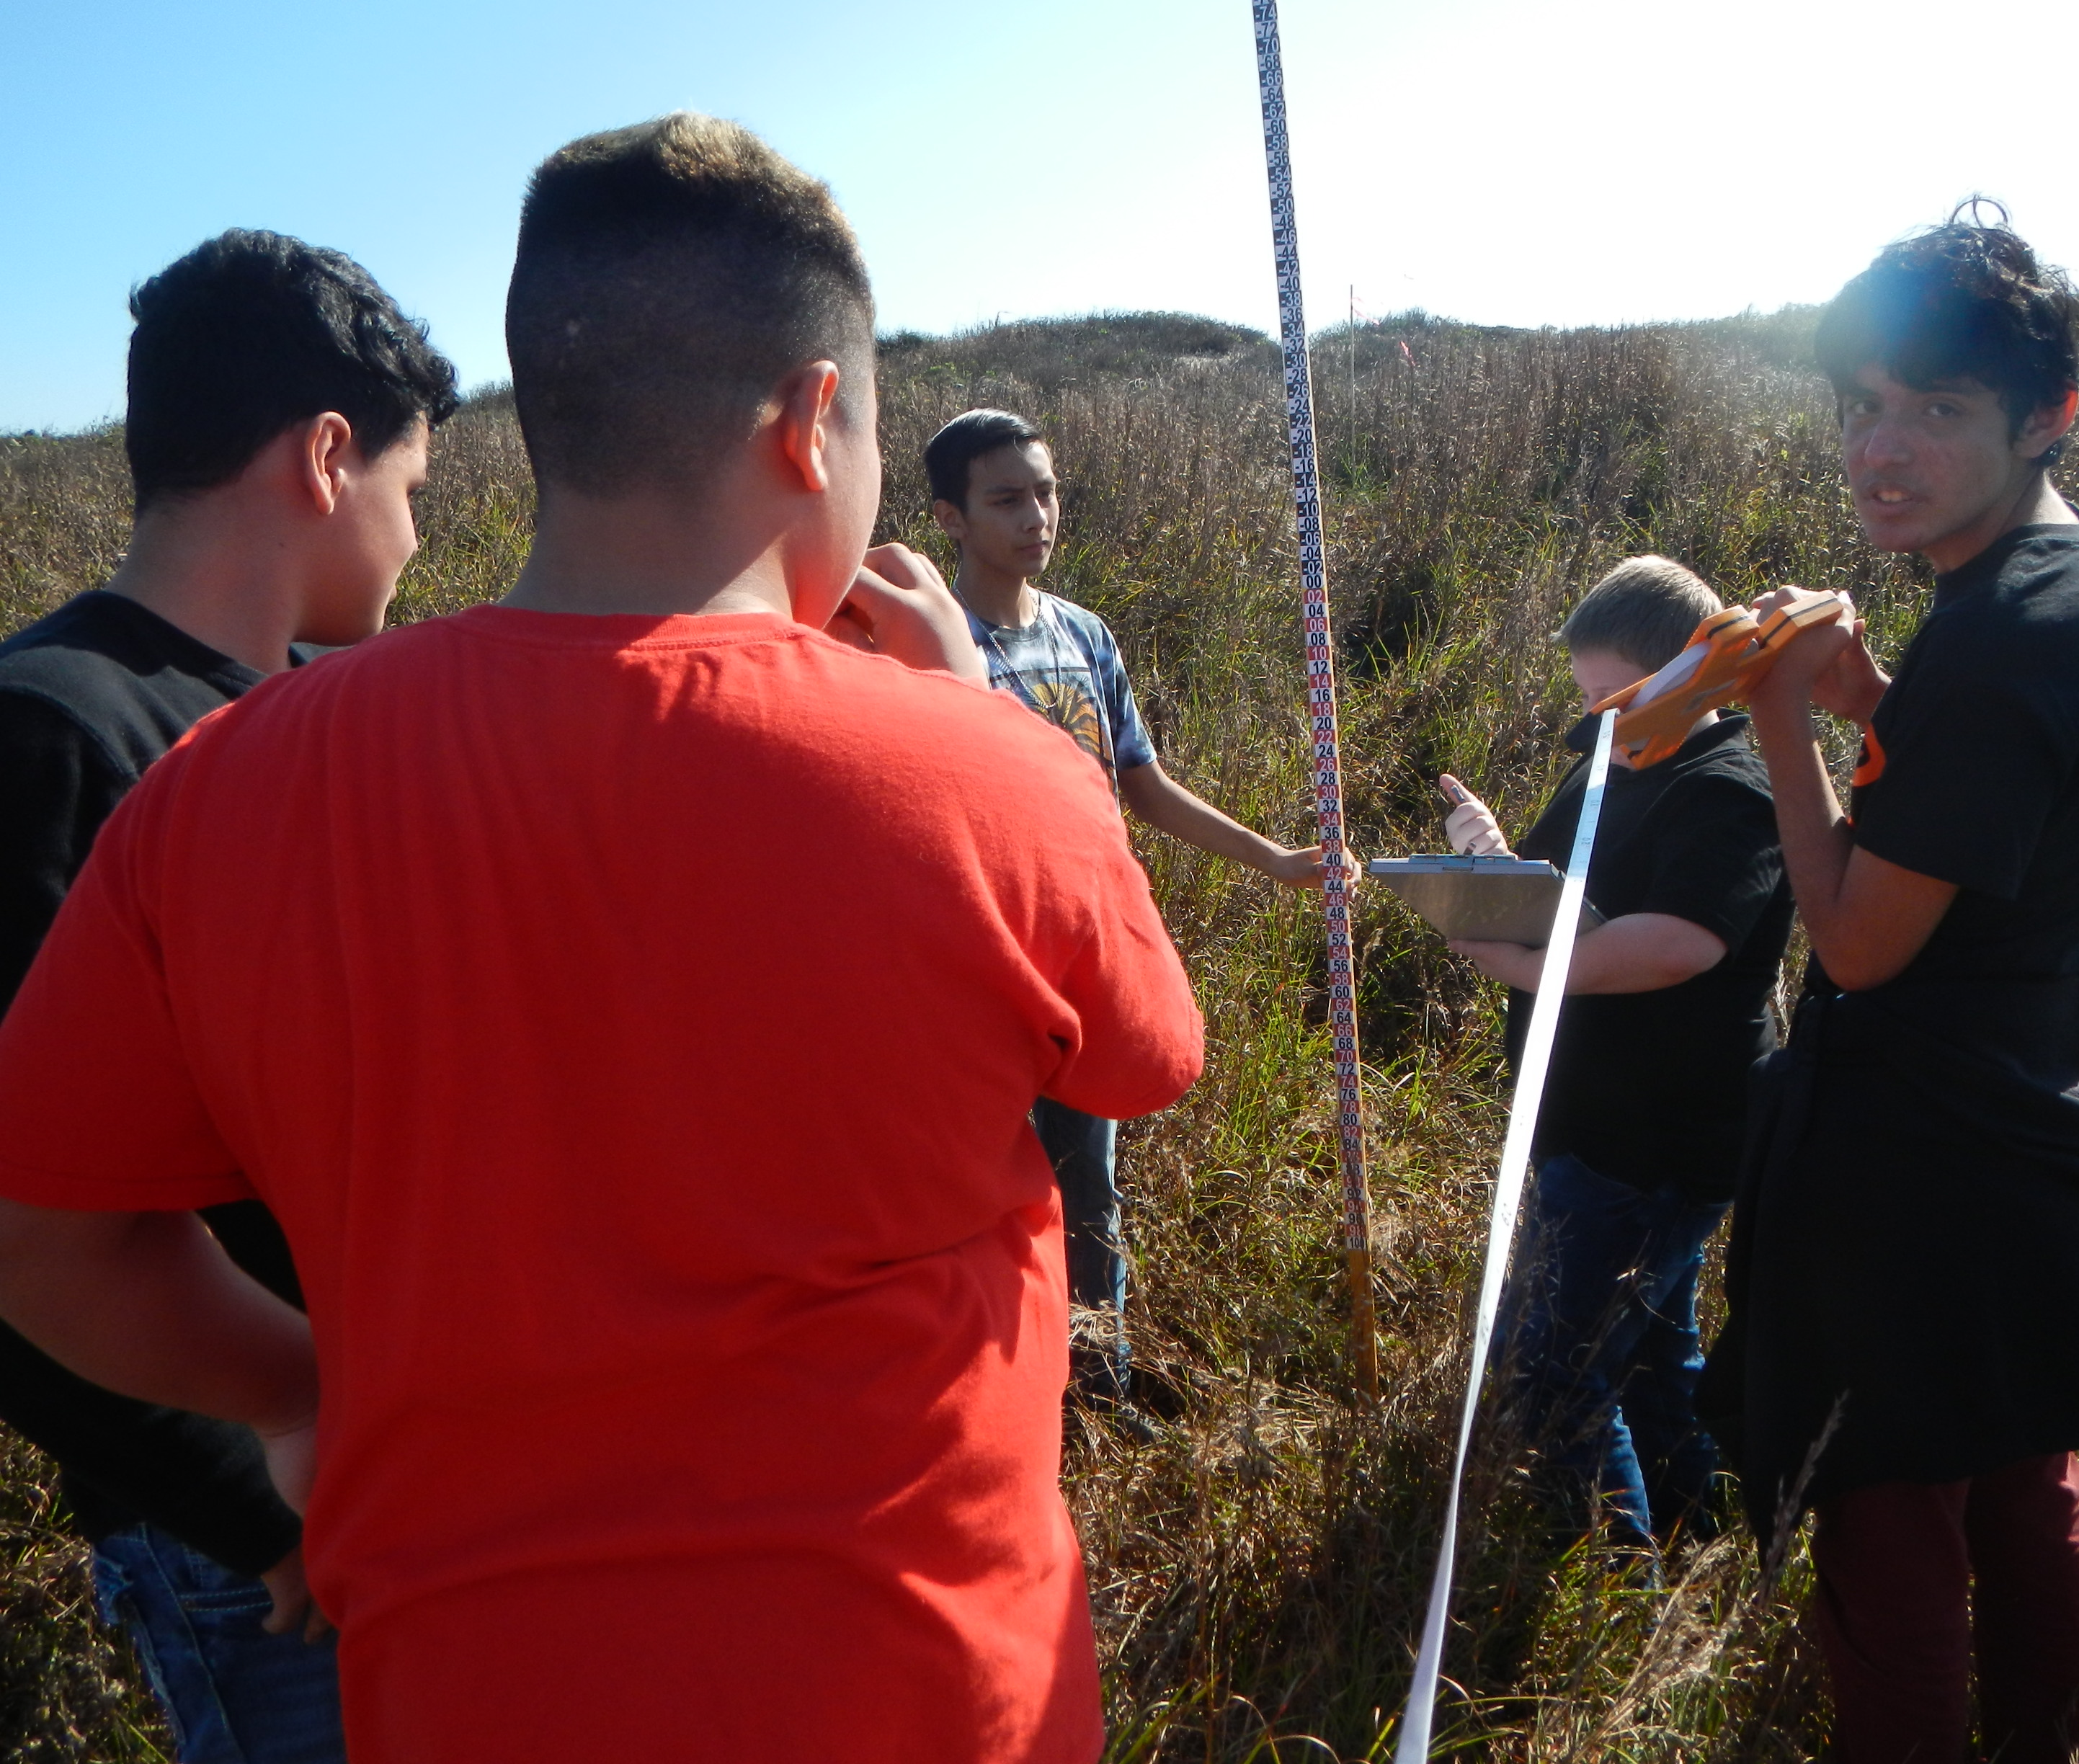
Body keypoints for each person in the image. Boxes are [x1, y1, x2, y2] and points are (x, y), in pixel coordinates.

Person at [0, 113, 1202, 1764]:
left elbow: (46, 1246)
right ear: (817, 420)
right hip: (930, 1697)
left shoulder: (214, 789)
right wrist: (974, 712)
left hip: (462, 1702)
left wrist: (299, 1392)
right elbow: (1147, 1056)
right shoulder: (993, 772)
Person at [1699, 213, 2079, 1764]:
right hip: (2043, 1110)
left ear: (2050, 416)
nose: (1881, 451)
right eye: (1865, 406)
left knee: (1895, 1543)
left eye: (1938, 412)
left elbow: (1854, 941)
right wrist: (1875, 698)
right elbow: (1994, 824)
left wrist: (1778, 719)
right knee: (2034, 1501)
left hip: (1928, 1170)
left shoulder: (2006, 639)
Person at [0, 229, 458, 1762]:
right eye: (413, 493)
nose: (412, 541)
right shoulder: (55, 729)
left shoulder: (303, 718)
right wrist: (253, 1509)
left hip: (385, 1479)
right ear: (330, 458)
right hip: (259, 1540)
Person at [923, 407, 1343, 1409]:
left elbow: (1142, 786)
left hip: (1086, 959)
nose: (1037, 516)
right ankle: (991, 1394)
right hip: (977, 971)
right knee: (971, 1199)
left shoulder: (1084, 635)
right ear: (951, 516)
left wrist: (1273, 857)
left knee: (1090, 1187)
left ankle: (1095, 1389)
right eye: (1006, 499)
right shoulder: (929, 648)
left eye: (1046, 492)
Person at [1439, 556, 1793, 1547]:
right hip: (1587, 1123)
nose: (1596, 715)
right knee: (1650, 1355)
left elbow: (1678, 944)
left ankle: (1615, 1579)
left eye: (1612, 693)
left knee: (1554, 1370)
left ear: (1686, 673)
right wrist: (1487, 861)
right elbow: (1563, 892)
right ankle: (1703, 1538)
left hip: (1652, 1144)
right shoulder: (1616, 760)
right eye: (1588, 696)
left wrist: (1521, 970)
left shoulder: (1731, 790)